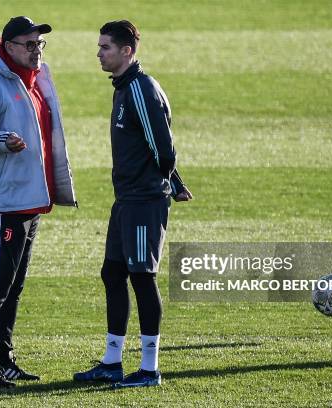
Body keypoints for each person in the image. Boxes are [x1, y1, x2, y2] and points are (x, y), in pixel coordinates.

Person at [0, 16, 76, 388]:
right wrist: (3, 139)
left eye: (40, 44)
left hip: (30, 198)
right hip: (4, 200)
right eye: (29, 44)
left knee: (14, 284)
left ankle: (4, 359)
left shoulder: (36, 79)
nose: (36, 50)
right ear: (8, 47)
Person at [73, 20, 192, 388]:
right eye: (99, 46)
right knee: (112, 273)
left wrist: (170, 182)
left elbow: (163, 147)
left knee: (142, 278)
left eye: (105, 47)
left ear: (127, 51)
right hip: (125, 201)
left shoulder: (140, 89)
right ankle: (111, 362)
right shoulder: (124, 87)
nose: (99, 53)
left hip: (143, 201)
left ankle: (149, 369)